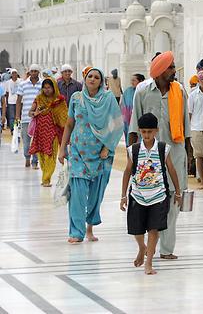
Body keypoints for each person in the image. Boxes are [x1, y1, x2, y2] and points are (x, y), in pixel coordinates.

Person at [129, 51, 190, 260]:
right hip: (150, 158)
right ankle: (149, 246)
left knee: (174, 201)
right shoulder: (143, 91)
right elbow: (134, 126)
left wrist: (187, 162)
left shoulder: (179, 91)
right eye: (171, 67)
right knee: (151, 201)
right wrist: (133, 159)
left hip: (175, 153)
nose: (174, 71)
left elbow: (186, 128)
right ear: (161, 71)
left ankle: (166, 249)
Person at [59, 67, 123, 243]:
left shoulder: (108, 98)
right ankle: (76, 232)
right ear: (85, 78)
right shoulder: (76, 98)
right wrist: (62, 148)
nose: (92, 79)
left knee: (96, 194)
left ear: (101, 81)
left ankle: (89, 228)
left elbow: (117, 125)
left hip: (101, 154)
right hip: (78, 152)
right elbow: (70, 124)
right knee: (77, 194)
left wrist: (107, 147)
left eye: (96, 77)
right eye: (90, 76)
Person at [120, 112, 183, 275]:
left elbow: (171, 170)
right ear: (140, 131)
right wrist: (123, 195)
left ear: (156, 131)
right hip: (137, 195)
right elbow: (127, 172)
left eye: (150, 132)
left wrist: (178, 191)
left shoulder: (163, 148)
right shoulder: (133, 150)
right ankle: (142, 247)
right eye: (143, 132)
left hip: (159, 195)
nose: (146, 135)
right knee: (137, 229)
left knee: (154, 229)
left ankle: (149, 263)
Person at [28, 77, 68, 186]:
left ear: (54, 87)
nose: (46, 90)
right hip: (40, 132)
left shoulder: (59, 100)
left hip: (53, 132)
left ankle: (46, 179)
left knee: (50, 154)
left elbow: (64, 116)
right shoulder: (39, 98)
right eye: (44, 88)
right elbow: (30, 112)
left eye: (49, 87)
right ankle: (45, 175)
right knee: (41, 155)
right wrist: (34, 112)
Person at [16, 64, 42, 168]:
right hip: (26, 117)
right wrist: (17, 115)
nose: (34, 73)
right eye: (32, 71)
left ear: (38, 72)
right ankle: (27, 157)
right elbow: (18, 101)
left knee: (36, 140)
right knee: (26, 141)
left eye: (36, 71)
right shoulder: (23, 84)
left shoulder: (42, 84)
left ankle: (35, 161)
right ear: (29, 72)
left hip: (39, 117)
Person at [121, 74, 144, 142]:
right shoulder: (128, 91)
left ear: (141, 81)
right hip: (128, 120)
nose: (132, 82)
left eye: (134, 80)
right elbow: (123, 105)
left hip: (141, 118)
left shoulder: (144, 91)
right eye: (131, 80)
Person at [4, 68, 19, 138]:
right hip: (11, 101)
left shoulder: (20, 81)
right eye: (13, 73)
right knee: (11, 117)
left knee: (18, 116)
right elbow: (7, 93)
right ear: (11, 74)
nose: (14, 74)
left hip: (18, 102)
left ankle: (17, 129)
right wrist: (6, 102)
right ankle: (12, 129)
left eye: (15, 73)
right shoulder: (8, 82)